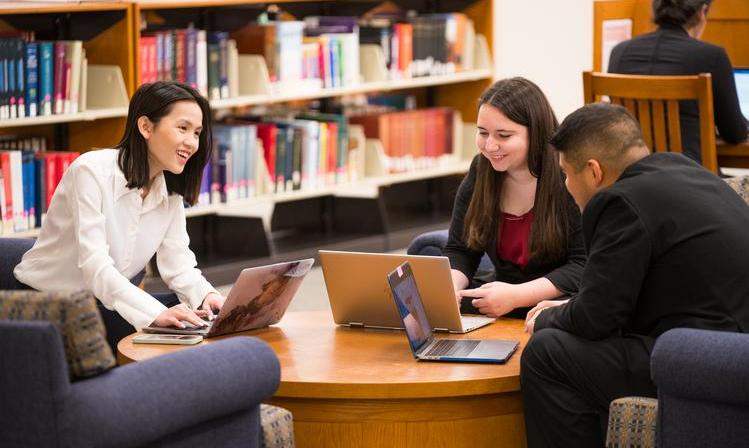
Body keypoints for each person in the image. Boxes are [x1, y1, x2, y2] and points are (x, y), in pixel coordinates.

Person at [521, 103, 749, 448]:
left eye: (567, 174)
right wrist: (577, 303)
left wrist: (549, 316)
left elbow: (594, 320)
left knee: (546, 352)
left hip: (704, 359)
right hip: (734, 346)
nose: (566, 185)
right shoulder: (686, 169)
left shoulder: (619, 202)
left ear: (594, 171)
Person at [14, 81, 225, 350]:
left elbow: (179, 264)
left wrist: (207, 297)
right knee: (180, 333)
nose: (192, 142)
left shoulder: (167, 188)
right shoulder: (90, 171)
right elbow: (96, 268)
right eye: (182, 128)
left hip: (102, 303)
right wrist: (155, 314)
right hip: (49, 307)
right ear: (146, 127)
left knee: (203, 320)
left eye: (196, 133)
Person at [443, 77, 586, 319]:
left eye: (504, 135)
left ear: (536, 133)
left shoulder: (568, 176)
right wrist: (450, 289)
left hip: (555, 304)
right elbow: (461, 250)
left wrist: (517, 296)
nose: (489, 146)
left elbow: (582, 266)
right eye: (482, 133)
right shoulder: (482, 169)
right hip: (499, 299)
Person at [608, 0, 747, 164]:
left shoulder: (619, 52)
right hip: (691, 180)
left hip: (630, 180)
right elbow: (734, 133)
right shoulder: (712, 56)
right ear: (702, 11)